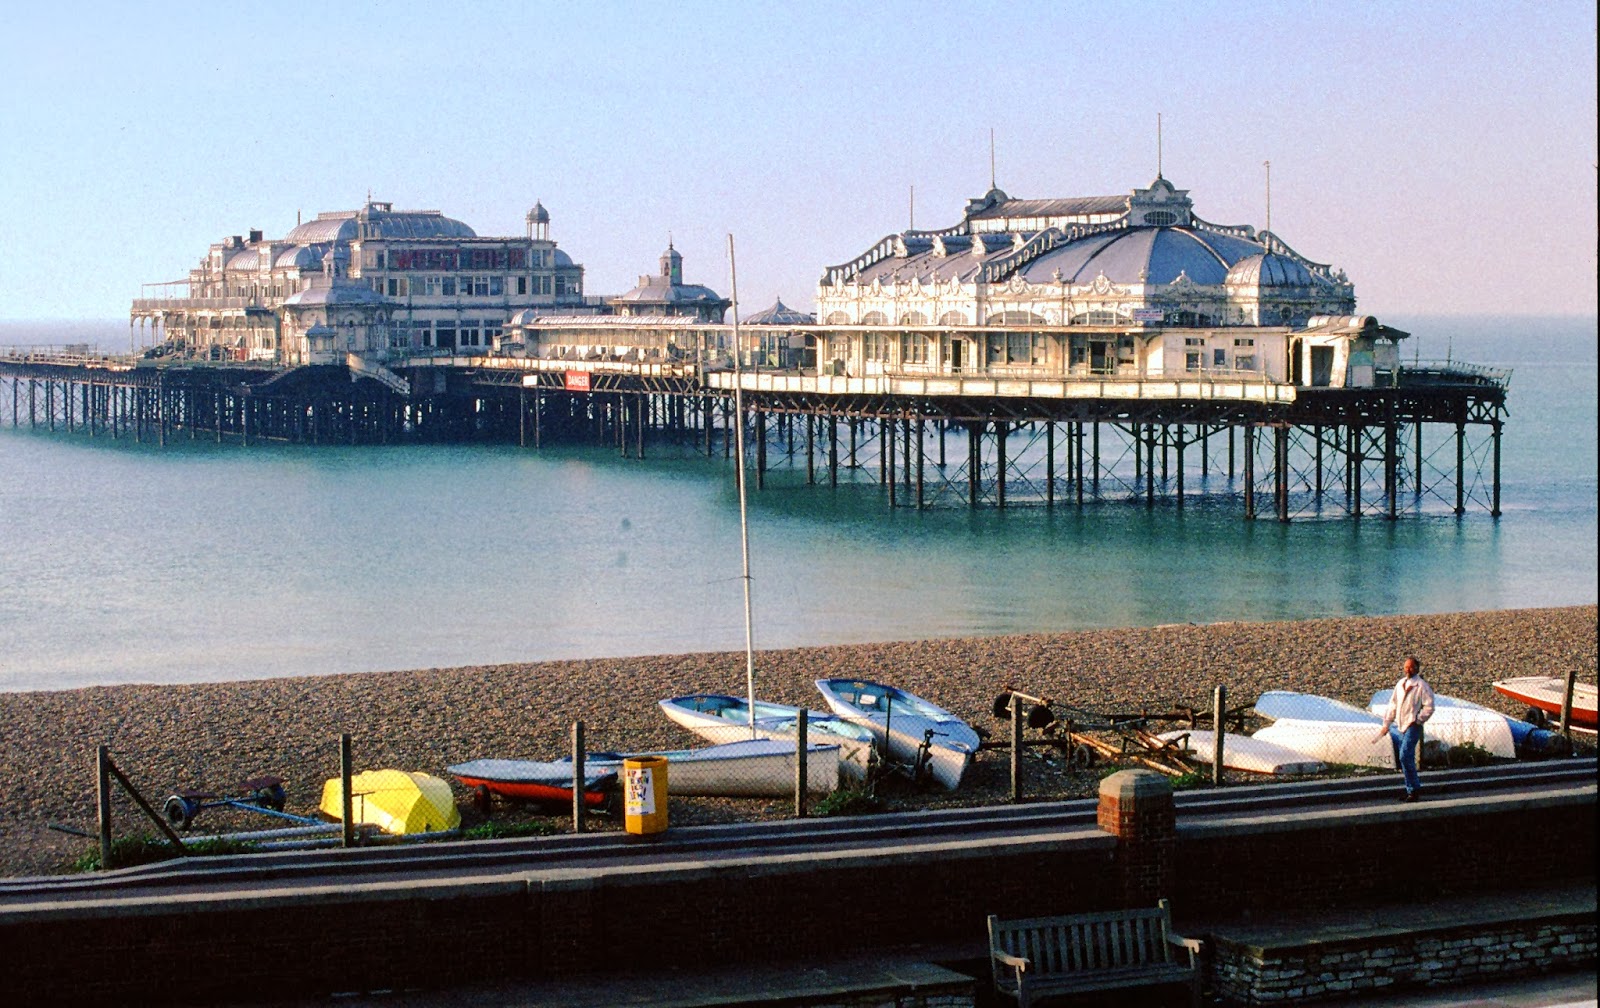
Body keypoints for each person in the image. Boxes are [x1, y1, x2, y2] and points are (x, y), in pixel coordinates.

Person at [1376, 656, 1436, 801]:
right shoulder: (1400, 684)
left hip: (1412, 726)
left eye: (1410, 667)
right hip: (1400, 725)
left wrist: (1418, 719)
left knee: (1405, 756)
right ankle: (1410, 789)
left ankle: (1414, 789)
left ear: (1416, 669)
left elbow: (1429, 706)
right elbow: (1393, 705)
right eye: (1406, 667)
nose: (1407, 670)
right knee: (1404, 758)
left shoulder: (1421, 686)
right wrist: (1386, 724)